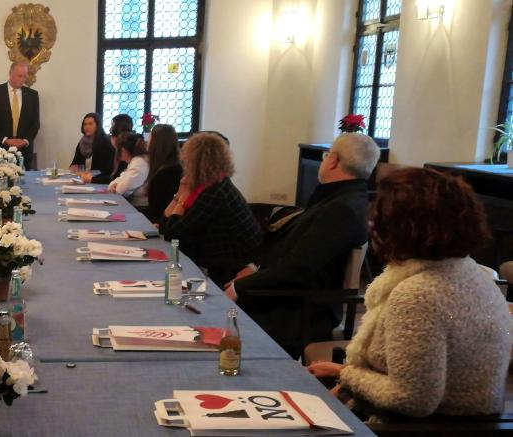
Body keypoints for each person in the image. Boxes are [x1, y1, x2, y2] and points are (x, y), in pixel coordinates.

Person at [307, 168, 511, 421]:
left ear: (401, 225)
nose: (372, 224)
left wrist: (344, 373)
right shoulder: (470, 273)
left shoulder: (418, 294)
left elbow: (412, 399)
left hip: (424, 428)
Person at [224, 133, 378, 357]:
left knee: (217, 315)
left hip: (298, 309)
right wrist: (254, 269)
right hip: (293, 297)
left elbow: (297, 268)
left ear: (333, 160)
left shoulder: (340, 210)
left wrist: (242, 286)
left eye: (326, 155)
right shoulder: (342, 199)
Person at [159, 132, 260, 286]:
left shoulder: (215, 192)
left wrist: (183, 195)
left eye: (186, 159)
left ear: (195, 162)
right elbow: (164, 226)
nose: (184, 163)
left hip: (225, 265)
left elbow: (172, 235)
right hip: (210, 255)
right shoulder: (209, 184)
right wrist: (180, 193)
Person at [0, 62, 40, 168]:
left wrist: (25, 141)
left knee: (24, 183)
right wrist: (5, 140)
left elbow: (35, 124)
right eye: (20, 76)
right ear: (10, 74)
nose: (23, 79)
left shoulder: (32, 95)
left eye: (25, 76)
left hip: (23, 150)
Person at [144, 124, 182, 224]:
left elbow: (157, 211)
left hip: (161, 225)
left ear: (156, 144)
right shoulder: (172, 168)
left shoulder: (166, 174)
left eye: (150, 138)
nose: (147, 143)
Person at [69, 112, 115, 185]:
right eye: (85, 124)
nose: (87, 127)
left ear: (97, 126)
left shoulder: (106, 143)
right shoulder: (81, 143)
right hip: (82, 180)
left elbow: (107, 171)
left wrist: (90, 176)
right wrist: (73, 167)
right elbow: (75, 163)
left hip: (98, 181)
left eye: (90, 124)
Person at [107, 133, 150, 209]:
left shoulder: (139, 163)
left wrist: (116, 185)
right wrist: (115, 184)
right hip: (135, 205)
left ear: (123, 150)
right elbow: (115, 183)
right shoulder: (135, 161)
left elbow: (121, 190)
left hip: (141, 208)